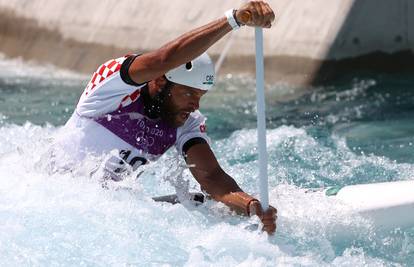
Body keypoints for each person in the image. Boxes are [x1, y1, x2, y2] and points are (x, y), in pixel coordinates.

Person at [58, 1, 277, 234]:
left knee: (199, 202)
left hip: (105, 209)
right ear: (161, 81)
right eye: (189, 93)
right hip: (57, 195)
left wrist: (251, 206)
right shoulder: (110, 89)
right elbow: (162, 59)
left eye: (201, 95)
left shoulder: (185, 121)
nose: (195, 104)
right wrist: (234, 19)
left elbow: (211, 176)